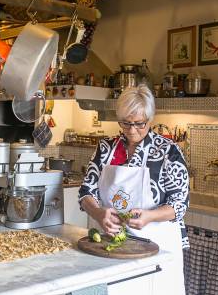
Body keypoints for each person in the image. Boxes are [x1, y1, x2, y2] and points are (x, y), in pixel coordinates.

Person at [79, 84, 189, 294]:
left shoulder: (168, 151)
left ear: (150, 119)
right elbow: (86, 192)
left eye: (139, 124)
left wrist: (150, 216)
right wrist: (98, 212)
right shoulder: (106, 148)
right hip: (114, 244)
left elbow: (180, 204)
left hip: (159, 245)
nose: (131, 130)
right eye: (125, 123)